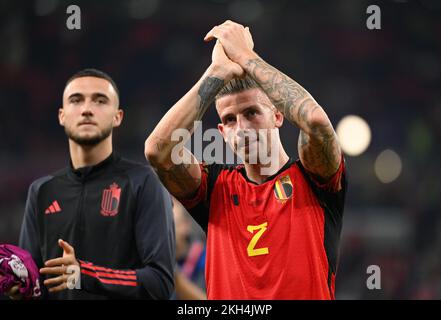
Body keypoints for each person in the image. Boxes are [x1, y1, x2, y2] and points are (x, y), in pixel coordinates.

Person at [145, 21, 347, 299]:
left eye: (252, 113)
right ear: (222, 132)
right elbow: (158, 151)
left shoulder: (314, 178)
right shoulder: (215, 189)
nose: (241, 128)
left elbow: (314, 122)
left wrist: (245, 57)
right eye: (229, 120)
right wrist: (216, 72)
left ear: (278, 116)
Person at [9, 68, 175, 299]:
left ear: (118, 117)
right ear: (61, 115)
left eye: (100, 100)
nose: (87, 109)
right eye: (76, 100)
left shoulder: (143, 182)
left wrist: (84, 274)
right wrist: (19, 288)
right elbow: (34, 283)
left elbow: (160, 283)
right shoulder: (41, 191)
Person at [171, 198, 206, 300]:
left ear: (185, 225)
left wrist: (178, 281)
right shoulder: (161, 258)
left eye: (173, 224)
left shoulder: (205, 258)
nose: (167, 231)